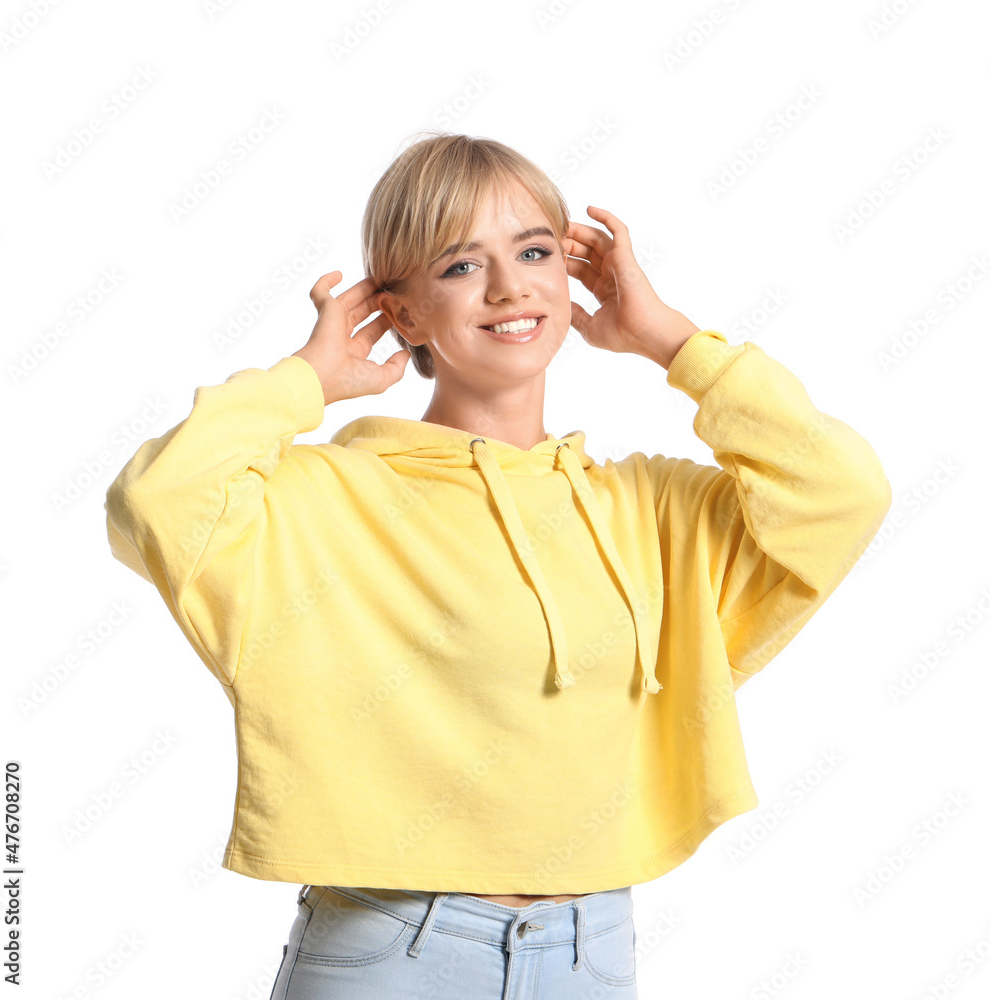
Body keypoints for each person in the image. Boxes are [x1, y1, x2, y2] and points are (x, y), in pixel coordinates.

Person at [104, 133, 892, 999]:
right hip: (388, 949)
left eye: (534, 250)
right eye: (458, 266)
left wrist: (672, 341)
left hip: (591, 948)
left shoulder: (648, 508)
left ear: (573, 272)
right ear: (402, 315)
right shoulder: (327, 497)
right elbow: (157, 502)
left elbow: (840, 491)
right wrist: (306, 381)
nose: (511, 286)